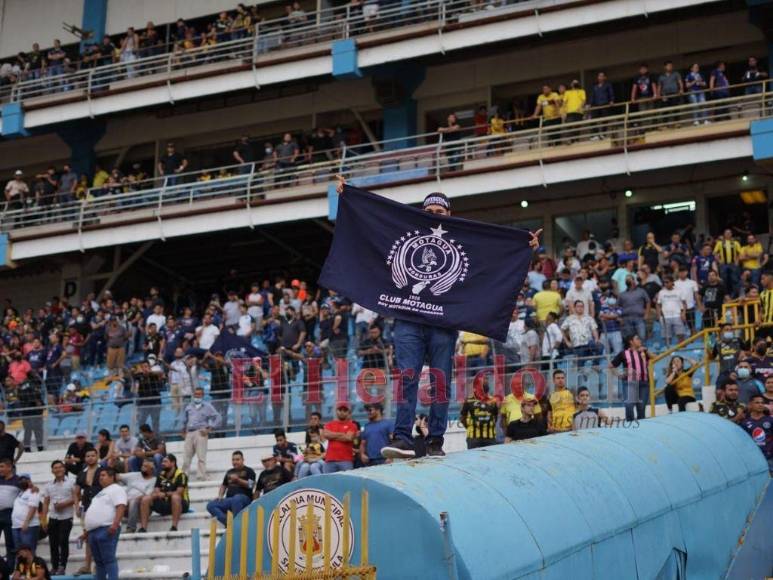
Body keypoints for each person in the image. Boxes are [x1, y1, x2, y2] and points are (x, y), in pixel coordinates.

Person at [337, 176, 541, 459]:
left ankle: (435, 441)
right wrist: (350, 200)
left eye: (439, 213)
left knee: (440, 382)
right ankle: (404, 438)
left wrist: (523, 246)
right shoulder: (405, 231)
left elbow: (491, 255)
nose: (433, 216)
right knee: (408, 377)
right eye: (429, 212)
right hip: (408, 319)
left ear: (449, 216)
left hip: (443, 323)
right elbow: (373, 227)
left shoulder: (461, 239)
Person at [82, 468, 126, 580]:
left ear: (112, 477)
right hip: (93, 531)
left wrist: (115, 524)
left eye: (103, 475)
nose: (100, 477)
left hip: (107, 528)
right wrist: (87, 532)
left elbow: (121, 506)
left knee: (109, 559)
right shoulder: (100, 493)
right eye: (100, 475)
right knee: (99, 562)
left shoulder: (116, 489)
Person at [139, 454, 188, 533]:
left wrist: (165, 494)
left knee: (175, 497)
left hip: (181, 504)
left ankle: (174, 527)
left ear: (173, 463)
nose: (162, 463)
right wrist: (157, 494)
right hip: (164, 503)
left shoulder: (181, 475)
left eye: (165, 461)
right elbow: (156, 489)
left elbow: (179, 492)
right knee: (146, 498)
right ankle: (143, 528)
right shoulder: (161, 474)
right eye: (162, 462)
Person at [42, 460, 75, 575]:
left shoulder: (71, 482)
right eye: (55, 468)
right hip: (53, 517)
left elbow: (76, 498)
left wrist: (63, 504)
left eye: (60, 467)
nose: (58, 469)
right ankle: (54, 566)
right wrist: (43, 520)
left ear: (64, 469)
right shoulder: (48, 485)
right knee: (53, 543)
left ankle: (62, 566)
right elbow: (46, 503)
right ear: (52, 470)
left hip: (67, 517)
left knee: (63, 541)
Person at [181, 387, 222, 481]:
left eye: (199, 394)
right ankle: (183, 476)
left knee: (201, 456)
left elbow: (218, 417)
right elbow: (184, 419)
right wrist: (183, 430)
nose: (197, 396)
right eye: (195, 394)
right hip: (189, 432)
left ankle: (201, 476)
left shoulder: (208, 406)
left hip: (201, 432)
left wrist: (209, 429)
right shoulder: (188, 406)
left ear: (202, 395)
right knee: (186, 456)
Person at [206, 451, 256, 525]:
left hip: (244, 499)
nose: (235, 462)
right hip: (229, 499)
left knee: (237, 499)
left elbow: (251, 485)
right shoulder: (229, 472)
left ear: (243, 460)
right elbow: (224, 485)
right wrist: (220, 496)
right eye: (233, 460)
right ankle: (228, 522)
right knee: (210, 505)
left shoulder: (249, 471)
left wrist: (238, 480)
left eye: (237, 459)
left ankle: (237, 524)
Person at [74, 448, 102, 576]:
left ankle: (99, 564)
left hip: (101, 506)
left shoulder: (103, 471)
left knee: (100, 536)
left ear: (97, 456)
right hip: (86, 506)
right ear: (85, 458)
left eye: (92, 455)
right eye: (88, 456)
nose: (90, 458)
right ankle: (87, 565)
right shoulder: (81, 473)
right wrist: (76, 507)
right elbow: (76, 492)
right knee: (88, 537)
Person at [610, 334, 649, 422]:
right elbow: (610, 366)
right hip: (630, 383)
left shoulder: (643, 351)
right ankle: (630, 426)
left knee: (641, 409)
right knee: (629, 405)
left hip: (644, 384)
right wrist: (619, 375)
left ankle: (642, 430)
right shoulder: (623, 353)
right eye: (637, 339)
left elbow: (655, 358)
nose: (640, 340)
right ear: (631, 342)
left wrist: (647, 351)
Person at [117, 459, 156, 533]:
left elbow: (146, 496)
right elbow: (117, 476)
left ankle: (131, 528)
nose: (143, 468)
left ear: (152, 469)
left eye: (146, 466)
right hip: (125, 507)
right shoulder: (135, 475)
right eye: (142, 466)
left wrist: (129, 500)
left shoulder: (154, 480)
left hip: (141, 508)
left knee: (133, 501)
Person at [459, 381, 498, 449]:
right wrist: (470, 427)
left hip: (484, 437)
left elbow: (495, 417)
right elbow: (463, 418)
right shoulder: (468, 401)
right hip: (478, 438)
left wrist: (470, 427)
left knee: (486, 458)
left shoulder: (493, 401)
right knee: (479, 458)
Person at [740, 394, 773, 473]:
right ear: (750, 405)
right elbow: (743, 442)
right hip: (754, 459)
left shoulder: (770, 420)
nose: (760, 405)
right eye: (757, 403)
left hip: (770, 458)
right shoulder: (745, 423)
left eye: (762, 403)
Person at [322, 402, 358, 473]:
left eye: (345, 410)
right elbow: (326, 435)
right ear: (336, 411)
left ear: (348, 412)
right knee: (328, 482)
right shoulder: (329, 424)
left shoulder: (352, 425)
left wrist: (332, 436)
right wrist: (342, 434)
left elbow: (348, 438)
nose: (342, 412)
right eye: (340, 410)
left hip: (346, 460)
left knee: (347, 482)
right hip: (330, 459)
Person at [10, 475, 39, 557]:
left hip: (29, 526)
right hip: (16, 526)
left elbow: (33, 508)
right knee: (19, 552)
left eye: (25, 480)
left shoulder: (33, 492)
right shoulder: (19, 493)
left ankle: (32, 569)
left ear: (30, 481)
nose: (22, 482)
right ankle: (22, 569)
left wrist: (26, 522)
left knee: (28, 551)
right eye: (20, 480)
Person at [0, 459, 20, 569]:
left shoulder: (18, 480)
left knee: (10, 542)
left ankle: (10, 568)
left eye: (2, 466)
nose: (0, 469)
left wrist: (33, 488)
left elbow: (30, 489)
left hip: (10, 514)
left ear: (9, 467)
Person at [656, 277, 688, 347]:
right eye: (664, 283)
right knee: (667, 337)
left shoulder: (679, 291)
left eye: (667, 282)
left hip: (677, 315)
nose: (666, 284)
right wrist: (658, 315)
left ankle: (682, 351)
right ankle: (669, 352)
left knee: (680, 335)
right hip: (665, 317)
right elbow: (658, 305)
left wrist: (683, 313)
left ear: (672, 282)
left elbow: (684, 303)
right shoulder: (661, 292)